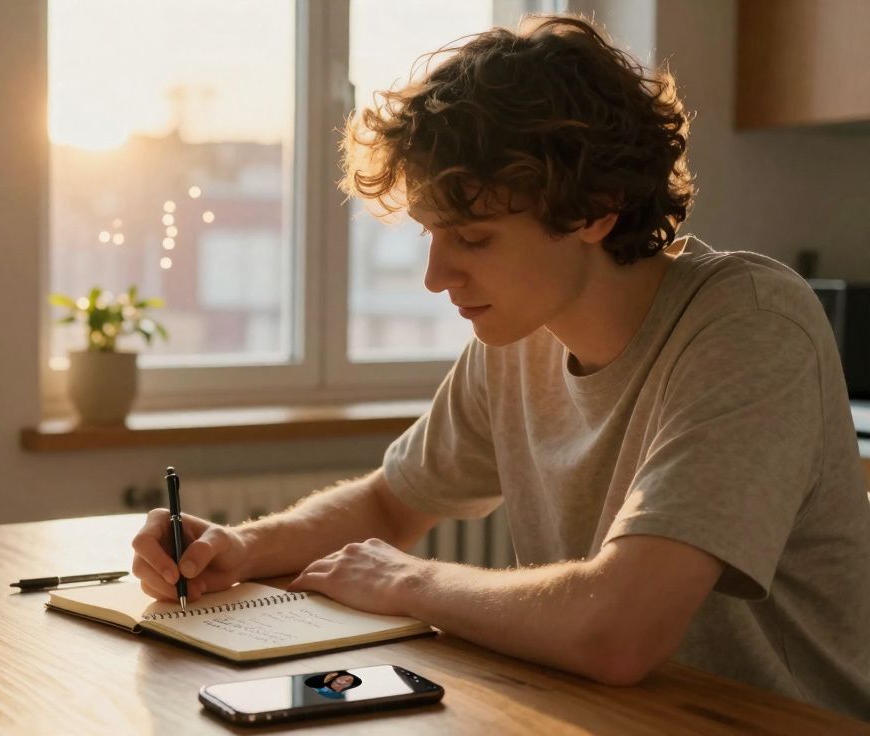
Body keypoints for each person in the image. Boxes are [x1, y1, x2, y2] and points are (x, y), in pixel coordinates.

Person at [130, 14, 870, 720]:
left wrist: (409, 581)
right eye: (428, 234)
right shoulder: (519, 339)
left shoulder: (749, 326)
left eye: (473, 238)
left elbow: (618, 632)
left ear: (597, 209)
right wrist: (237, 548)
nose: (433, 276)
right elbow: (392, 503)